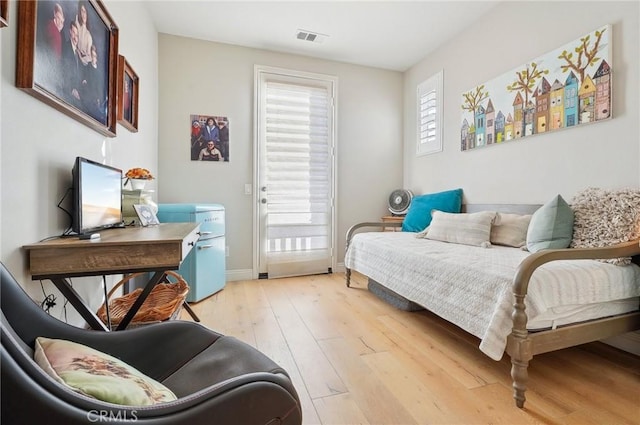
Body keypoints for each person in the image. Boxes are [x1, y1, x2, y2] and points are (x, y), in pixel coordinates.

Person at [61, 20, 83, 107]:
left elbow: (78, 74)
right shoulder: (66, 47)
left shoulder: (77, 53)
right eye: (73, 33)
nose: (75, 37)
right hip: (68, 92)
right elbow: (63, 71)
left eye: (77, 35)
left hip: (77, 90)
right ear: (70, 31)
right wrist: (71, 90)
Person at [75, 1, 93, 65]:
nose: (83, 14)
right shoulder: (77, 24)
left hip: (82, 64)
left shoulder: (88, 36)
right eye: (82, 11)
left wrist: (80, 55)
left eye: (85, 12)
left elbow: (89, 58)